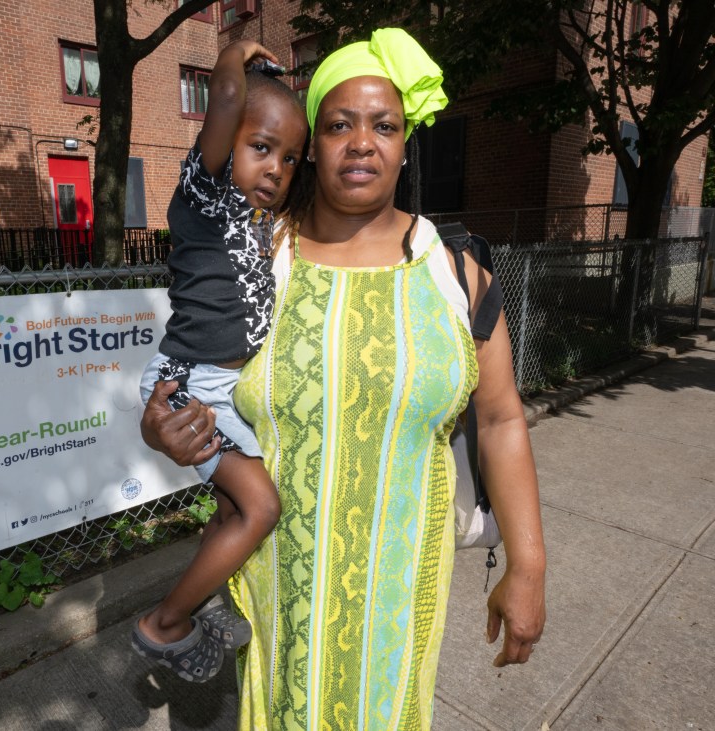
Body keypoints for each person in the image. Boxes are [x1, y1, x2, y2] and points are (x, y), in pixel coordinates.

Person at [140, 28, 547, 729]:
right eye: (339, 125)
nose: (362, 142)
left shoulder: (456, 274)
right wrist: (163, 427)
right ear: (312, 143)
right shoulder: (260, 262)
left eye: (384, 125)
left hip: (397, 605)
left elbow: (504, 417)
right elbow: (190, 371)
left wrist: (530, 564)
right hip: (277, 598)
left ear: (404, 141)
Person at [132, 40, 309, 683]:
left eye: (289, 158)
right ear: (225, 141)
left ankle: (202, 603)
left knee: (236, 511)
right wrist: (233, 55)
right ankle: (164, 626)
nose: (276, 168)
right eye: (261, 147)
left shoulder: (265, 221)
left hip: (227, 385)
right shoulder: (206, 192)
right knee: (261, 507)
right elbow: (230, 100)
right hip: (191, 383)